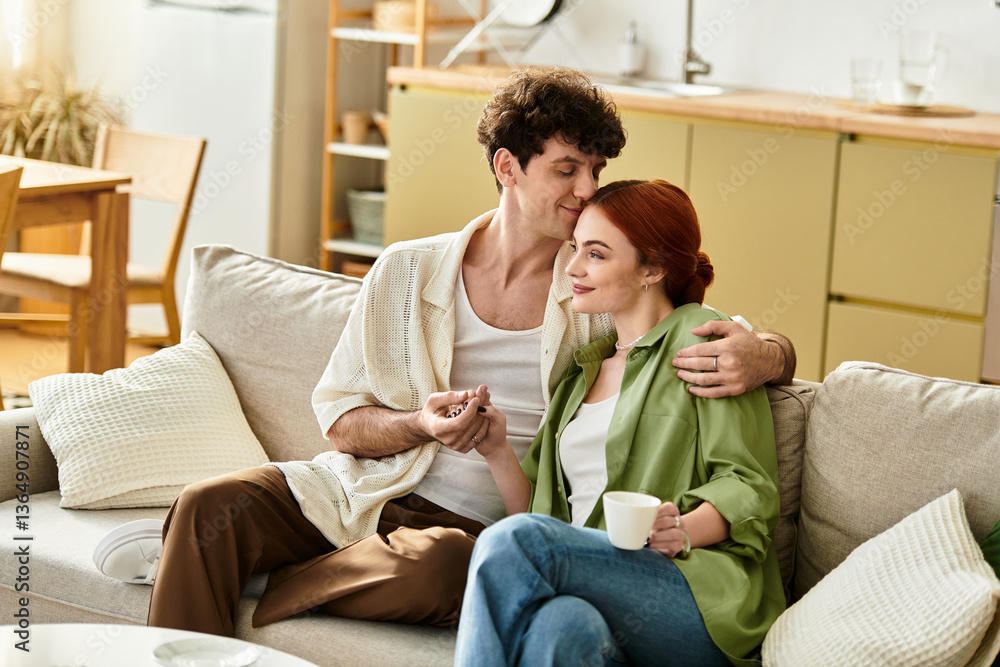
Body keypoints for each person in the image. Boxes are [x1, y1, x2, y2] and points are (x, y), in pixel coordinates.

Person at [136, 66, 793, 637]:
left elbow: (708, 328)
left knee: (441, 568)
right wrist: (420, 424)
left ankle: (273, 580)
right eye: (567, 169)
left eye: (596, 170)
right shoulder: (407, 271)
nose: (588, 190)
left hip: (479, 528)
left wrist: (766, 355)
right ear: (507, 167)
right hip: (357, 496)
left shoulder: (597, 285)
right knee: (206, 507)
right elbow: (341, 424)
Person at [454, 179, 785, 667]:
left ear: (652, 268)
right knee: (560, 625)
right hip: (602, 588)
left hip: (691, 590)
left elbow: (749, 486)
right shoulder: (580, 374)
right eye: (575, 249)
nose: (573, 268)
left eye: (596, 254)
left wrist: (682, 530)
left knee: (511, 541)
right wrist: (498, 450)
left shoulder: (703, 345)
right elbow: (544, 516)